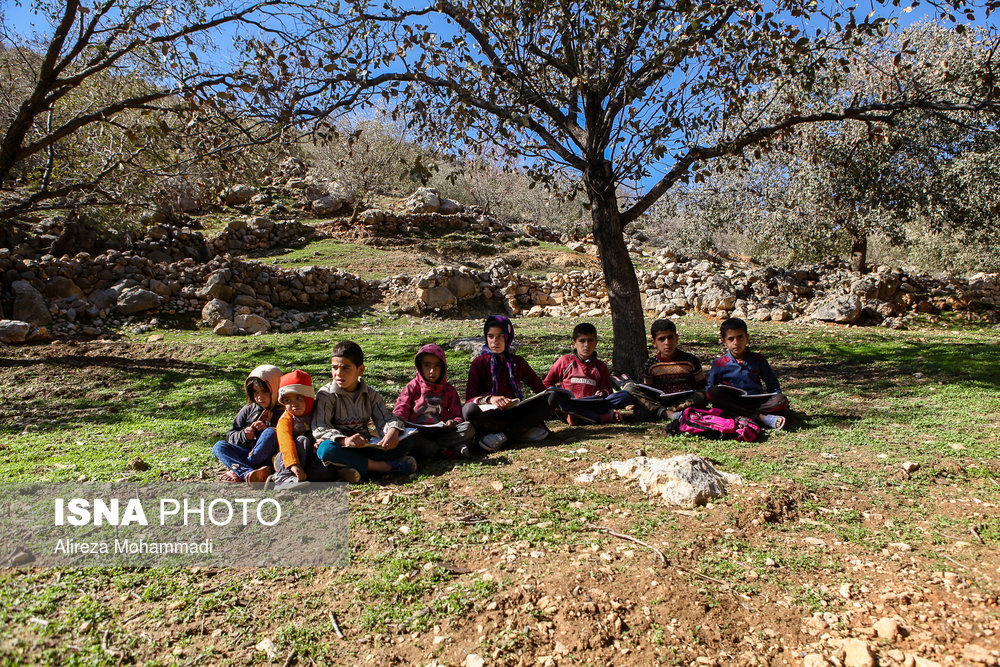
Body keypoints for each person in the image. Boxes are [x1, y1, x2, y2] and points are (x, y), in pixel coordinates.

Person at [314, 341, 416, 482]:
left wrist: (392, 431)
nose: (338, 373)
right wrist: (345, 440)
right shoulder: (326, 395)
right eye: (334, 367)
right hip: (341, 448)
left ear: (360, 370)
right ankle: (384, 467)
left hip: (365, 447)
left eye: (345, 368)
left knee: (407, 441)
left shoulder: (370, 394)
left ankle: (352, 468)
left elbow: (385, 418)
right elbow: (321, 427)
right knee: (326, 450)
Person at [463, 314, 559, 451]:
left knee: (553, 396)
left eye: (500, 336)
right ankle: (522, 431)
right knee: (468, 410)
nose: (495, 341)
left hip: (516, 412)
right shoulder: (479, 363)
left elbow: (540, 389)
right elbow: (469, 398)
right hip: (493, 416)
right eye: (491, 336)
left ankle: (505, 436)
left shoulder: (518, 362)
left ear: (508, 336)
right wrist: (490, 399)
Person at [393, 343, 475, 460]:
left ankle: (435, 450)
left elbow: (458, 415)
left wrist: (453, 422)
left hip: (441, 433)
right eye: (427, 365)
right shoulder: (412, 387)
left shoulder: (449, 390)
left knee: (468, 428)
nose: (432, 371)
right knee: (409, 438)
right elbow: (401, 408)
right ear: (420, 366)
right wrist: (400, 419)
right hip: (417, 433)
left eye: (437, 366)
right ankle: (446, 450)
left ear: (443, 367)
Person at [705, 317, 790, 429]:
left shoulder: (758, 359)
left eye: (740, 337)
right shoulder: (719, 363)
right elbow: (710, 388)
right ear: (724, 341)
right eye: (731, 339)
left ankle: (739, 414)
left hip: (755, 400)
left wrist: (776, 397)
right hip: (732, 400)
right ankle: (761, 417)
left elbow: (772, 384)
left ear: (747, 337)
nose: (736, 343)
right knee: (713, 392)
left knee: (780, 400)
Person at [543, 322, 630, 424]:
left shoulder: (600, 366)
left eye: (590, 340)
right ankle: (599, 417)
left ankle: (577, 416)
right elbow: (547, 384)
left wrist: (601, 393)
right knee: (559, 402)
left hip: (591, 404)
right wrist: (559, 394)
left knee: (624, 396)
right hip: (569, 403)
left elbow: (607, 391)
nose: (586, 345)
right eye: (582, 341)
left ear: (596, 342)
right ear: (574, 343)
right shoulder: (565, 361)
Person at [212, 364, 283, 485]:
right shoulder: (248, 409)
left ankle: (238, 470)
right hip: (247, 451)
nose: (260, 397)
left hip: (271, 458)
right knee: (219, 446)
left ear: (275, 389)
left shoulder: (284, 410)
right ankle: (248, 473)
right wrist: (245, 434)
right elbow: (231, 435)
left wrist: (267, 429)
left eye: (265, 391)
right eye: (255, 392)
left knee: (270, 433)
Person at [624, 319, 707, 421]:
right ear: (654, 342)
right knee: (630, 387)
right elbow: (648, 389)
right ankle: (666, 412)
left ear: (676, 338)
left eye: (670, 337)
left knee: (702, 395)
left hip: (684, 401)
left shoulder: (690, 360)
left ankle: (661, 412)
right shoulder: (651, 364)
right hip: (660, 401)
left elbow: (701, 385)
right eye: (661, 339)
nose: (667, 343)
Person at [269, 369, 330, 490]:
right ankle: (282, 477)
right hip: (286, 460)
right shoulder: (286, 420)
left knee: (325, 473)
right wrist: (293, 464)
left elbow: (325, 427)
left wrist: (321, 441)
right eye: (288, 400)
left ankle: (301, 478)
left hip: (309, 458)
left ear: (308, 398)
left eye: (298, 398)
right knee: (302, 440)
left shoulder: (317, 413)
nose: (294, 404)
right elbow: (285, 443)